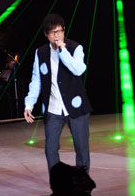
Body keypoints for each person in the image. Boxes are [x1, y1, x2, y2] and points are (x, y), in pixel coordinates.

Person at [24, 13, 91, 174]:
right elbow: (36, 80)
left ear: (64, 30)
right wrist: (29, 104)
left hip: (76, 108)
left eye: (59, 31)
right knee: (50, 148)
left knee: (81, 148)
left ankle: (83, 184)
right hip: (53, 109)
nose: (56, 35)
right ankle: (58, 184)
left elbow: (78, 70)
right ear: (46, 34)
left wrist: (63, 50)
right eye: (52, 32)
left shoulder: (75, 48)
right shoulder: (40, 53)